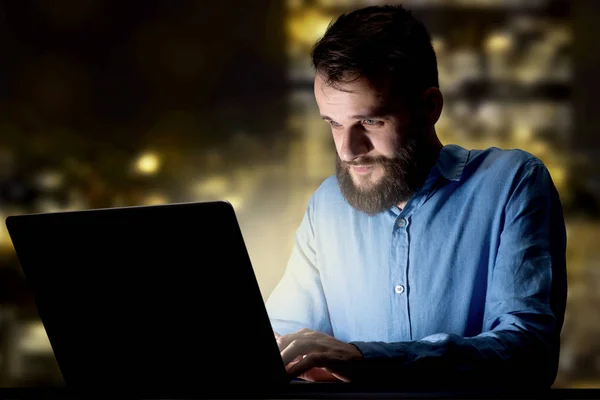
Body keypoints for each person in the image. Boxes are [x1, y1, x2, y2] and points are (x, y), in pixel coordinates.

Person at [265, 4, 567, 391]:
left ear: (430, 108)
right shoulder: (326, 206)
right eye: (334, 123)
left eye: (370, 121)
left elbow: (530, 354)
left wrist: (366, 360)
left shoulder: (513, 183)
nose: (347, 149)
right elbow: (280, 340)